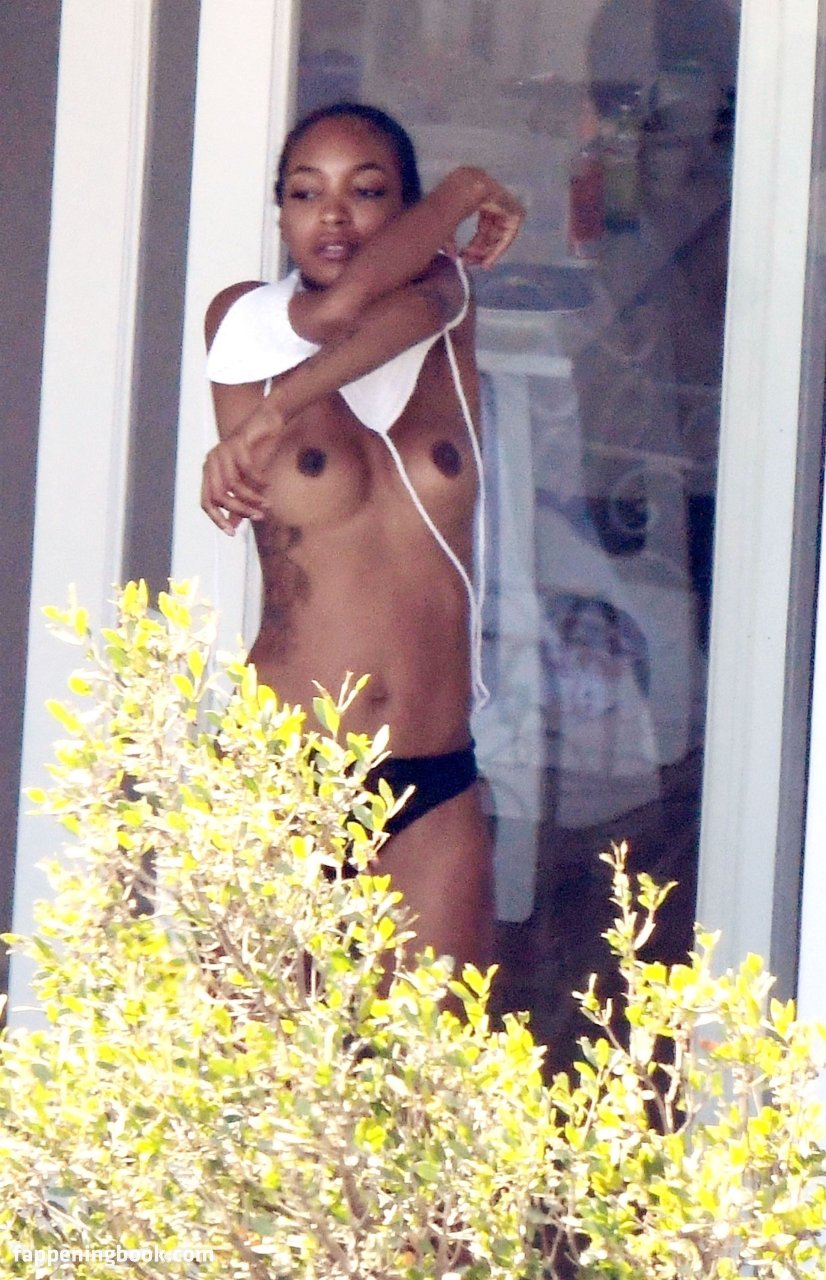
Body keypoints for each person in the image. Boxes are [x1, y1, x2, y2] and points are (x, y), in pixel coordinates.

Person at [201, 101, 523, 975]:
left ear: (411, 214)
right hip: (282, 774)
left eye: (369, 191)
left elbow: (387, 308)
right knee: (257, 1057)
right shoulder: (243, 324)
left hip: (432, 776)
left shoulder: (447, 307)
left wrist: (279, 410)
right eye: (305, 194)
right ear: (280, 215)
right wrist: (465, 192)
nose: (333, 217)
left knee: (437, 1059)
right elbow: (337, 312)